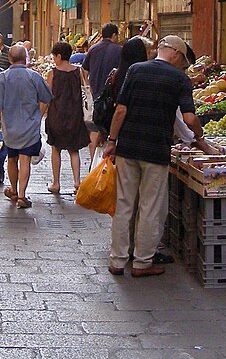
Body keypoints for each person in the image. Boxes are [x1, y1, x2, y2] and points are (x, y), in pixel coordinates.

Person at [103, 35, 205, 277]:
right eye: (183, 60)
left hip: (128, 147)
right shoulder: (179, 78)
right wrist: (199, 135)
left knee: (124, 204)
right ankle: (142, 263)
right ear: (177, 54)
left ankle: (117, 261)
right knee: (150, 207)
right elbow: (189, 118)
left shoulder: (135, 70)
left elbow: (121, 110)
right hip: (156, 150)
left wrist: (112, 141)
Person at [0, 44, 52, 209]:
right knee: (25, 160)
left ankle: (14, 190)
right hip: (29, 126)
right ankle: (22, 196)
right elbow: (46, 98)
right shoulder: (34, 76)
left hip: (9, 127)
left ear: (9, 59)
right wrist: (38, 115)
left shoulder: (2, 78)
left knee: (11, 159)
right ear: (26, 58)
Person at [44, 41, 91, 194]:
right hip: (75, 115)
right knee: (73, 150)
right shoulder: (79, 72)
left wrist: (40, 113)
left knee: (56, 149)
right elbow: (86, 89)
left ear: (58, 56)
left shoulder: (53, 73)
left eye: (54, 57)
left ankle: (56, 183)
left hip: (56, 115)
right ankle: (77, 182)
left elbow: (47, 95)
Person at [82, 24, 123, 162]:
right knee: (110, 128)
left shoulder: (93, 49)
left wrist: (89, 85)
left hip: (96, 95)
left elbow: (84, 70)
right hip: (112, 96)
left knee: (95, 129)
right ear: (114, 35)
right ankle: (108, 162)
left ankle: (93, 163)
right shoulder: (119, 50)